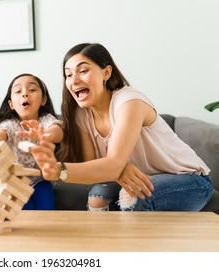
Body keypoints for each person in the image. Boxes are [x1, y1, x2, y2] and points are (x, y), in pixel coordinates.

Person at [28, 42, 213, 211]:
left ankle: (128, 247)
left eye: (83, 71)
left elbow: (112, 165)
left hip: (190, 181)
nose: (73, 80)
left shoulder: (129, 101)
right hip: (142, 178)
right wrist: (118, 169)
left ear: (106, 73)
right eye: (68, 74)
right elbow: (94, 166)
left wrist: (59, 170)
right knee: (97, 197)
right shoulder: (81, 114)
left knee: (131, 197)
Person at [0, 73, 63, 210]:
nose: (25, 94)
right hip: (15, 182)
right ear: (11, 104)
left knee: (47, 213)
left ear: (43, 100)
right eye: (18, 91)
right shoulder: (9, 124)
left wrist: (44, 135)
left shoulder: (45, 120)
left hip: (41, 180)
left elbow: (58, 133)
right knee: (26, 215)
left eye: (32, 90)